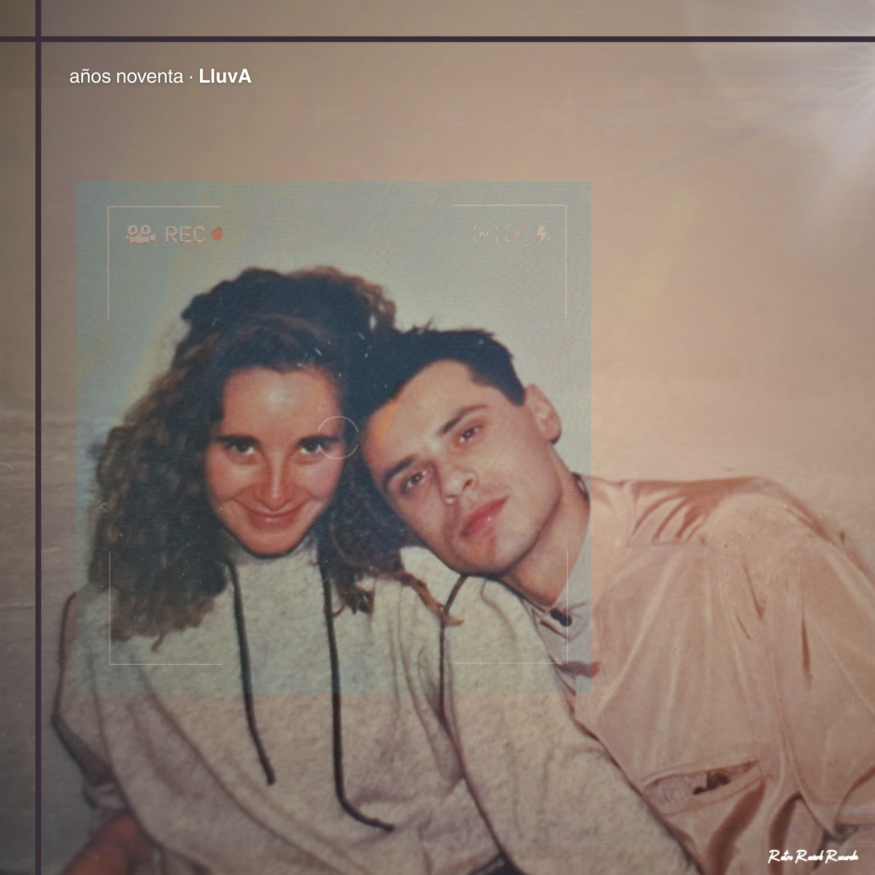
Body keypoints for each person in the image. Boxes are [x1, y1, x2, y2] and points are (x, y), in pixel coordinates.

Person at [56, 269, 699, 875]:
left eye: (312, 446)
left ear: (351, 455)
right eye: (242, 446)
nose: (275, 491)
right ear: (188, 446)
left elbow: (560, 795)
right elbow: (140, 809)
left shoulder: (435, 599)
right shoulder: (106, 626)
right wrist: (114, 850)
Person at [350, 326, 875, 875]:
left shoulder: (743, 544)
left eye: (468, 434)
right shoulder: (474, 650)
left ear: (542, 414)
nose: (452, 483)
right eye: (413, 480)